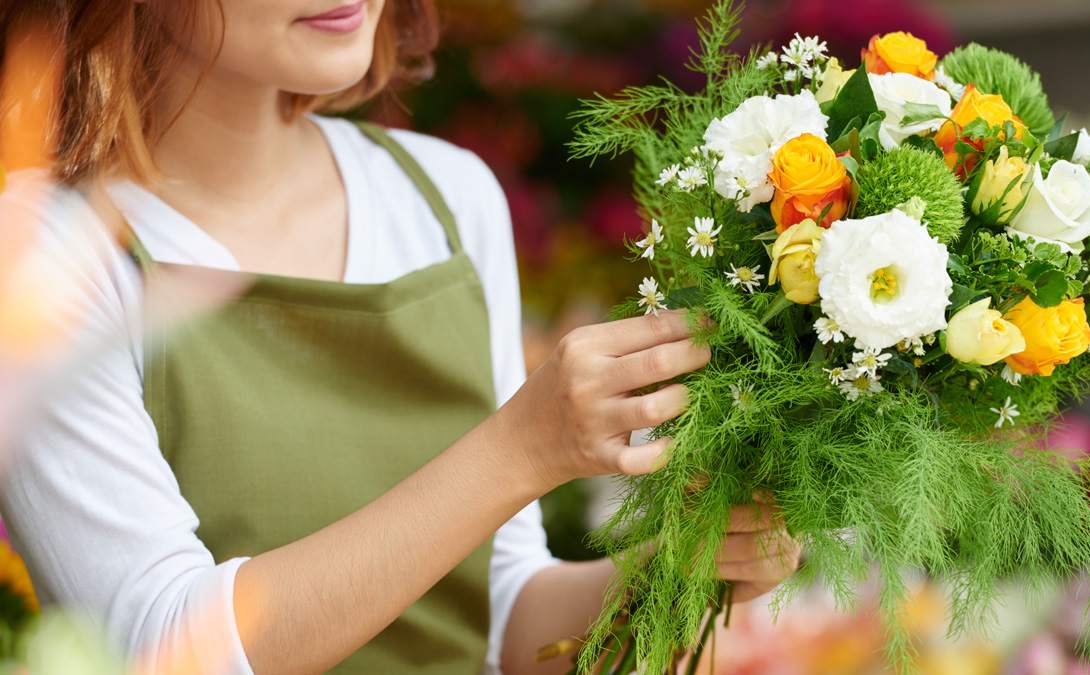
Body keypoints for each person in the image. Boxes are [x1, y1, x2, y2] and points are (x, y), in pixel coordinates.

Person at [0, 1, 800, 673]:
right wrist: (522, 447)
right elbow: (161, 648)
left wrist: (679, 567)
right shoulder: (42, 252)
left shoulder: (445, 197)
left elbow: (505, 618)